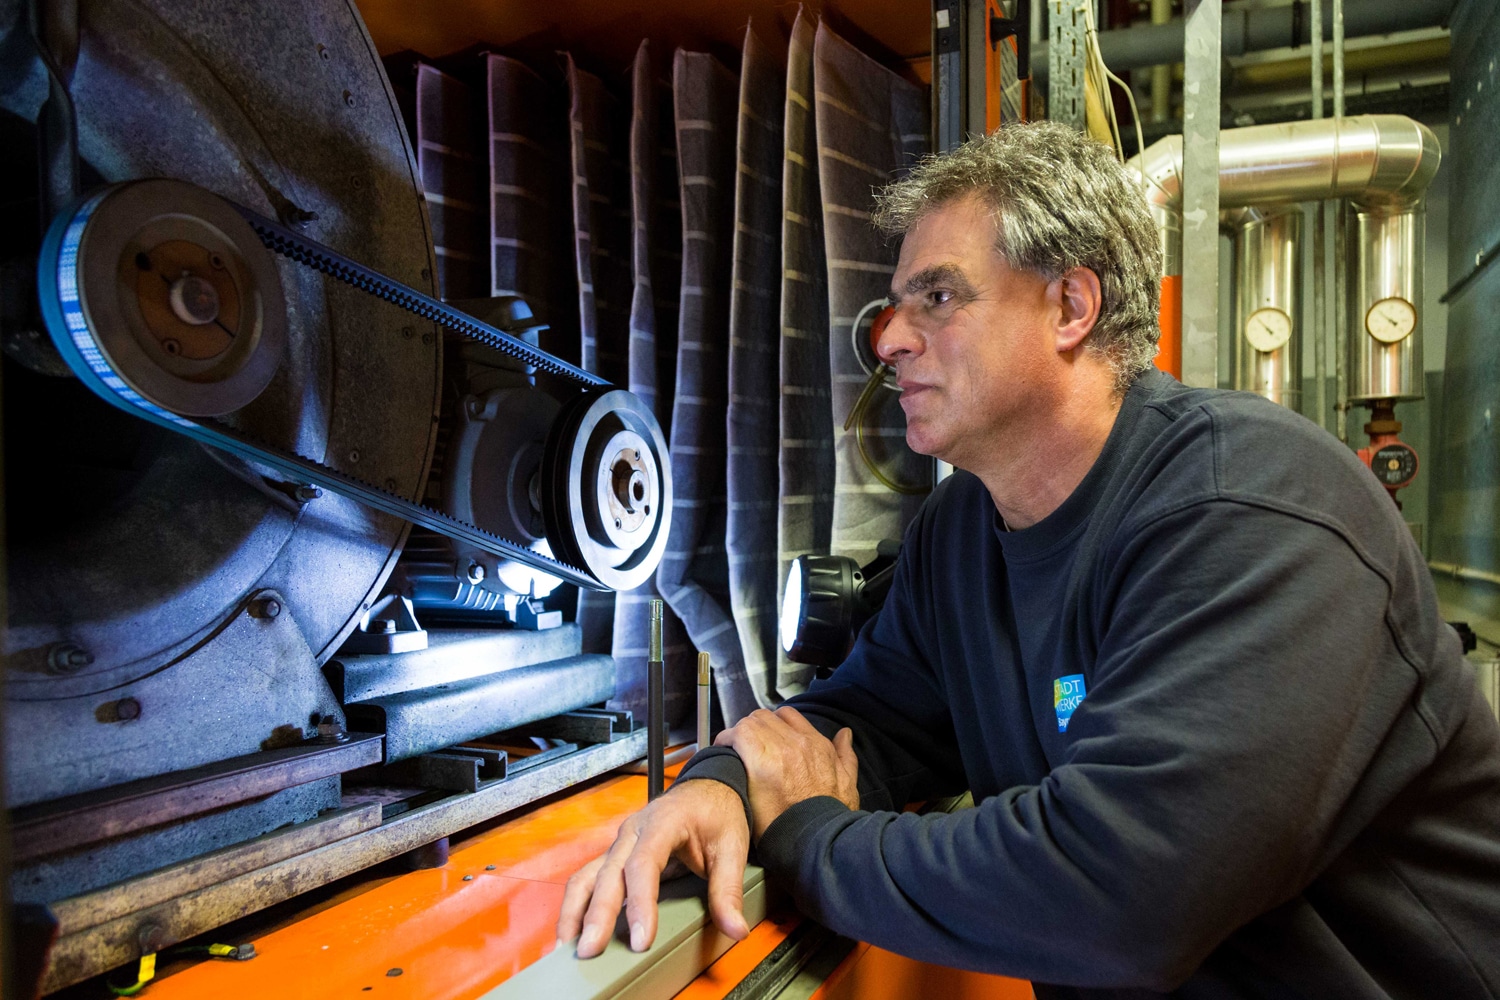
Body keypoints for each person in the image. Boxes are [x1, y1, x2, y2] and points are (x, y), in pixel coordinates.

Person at [557, 121, 1500, 997]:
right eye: (891, 308)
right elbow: (865, 724)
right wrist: (724, 784)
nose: (887, 340)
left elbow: (1125, 894)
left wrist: (810, 837)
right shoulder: (962, 533)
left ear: (1071, 306)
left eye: (938, 295)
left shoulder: (1253, 512)